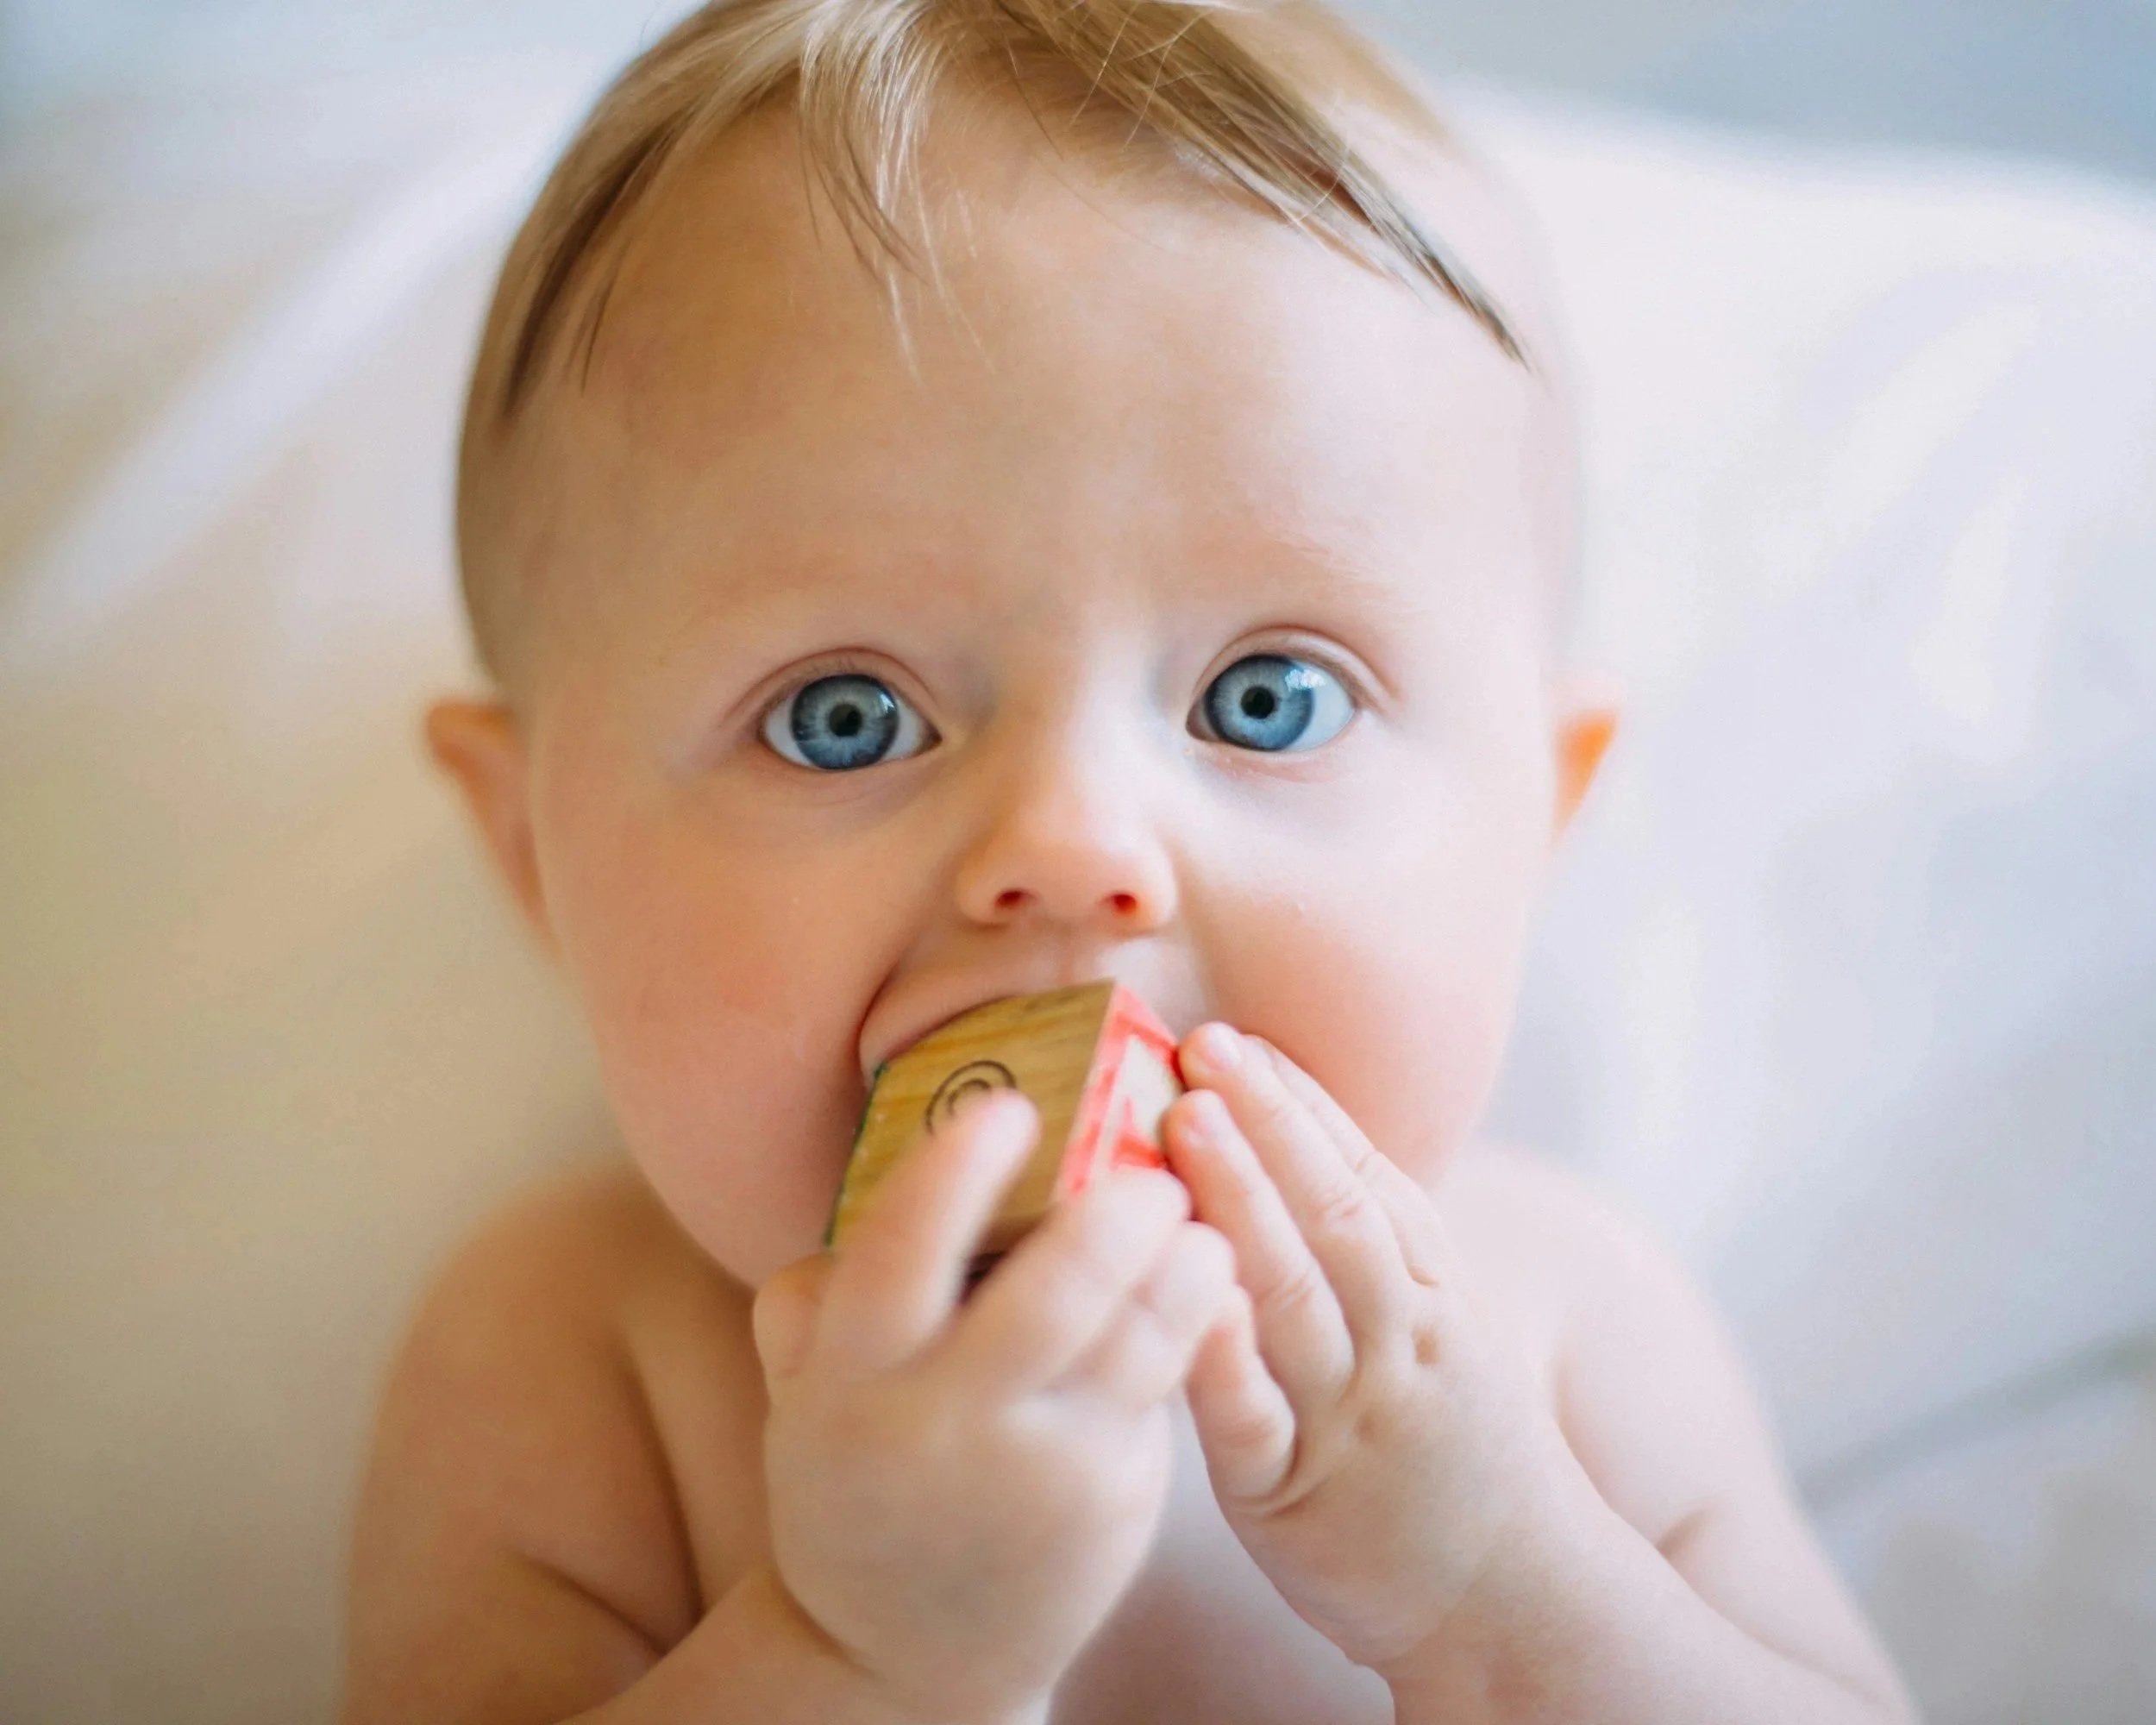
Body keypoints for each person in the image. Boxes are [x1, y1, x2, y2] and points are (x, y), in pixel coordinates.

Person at [341, 0, 1915, 1718]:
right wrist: (856, 1651)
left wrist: (1505, 1589)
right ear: (533, 853)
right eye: (843, 717)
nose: (1073, 849)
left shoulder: (1553, 1326)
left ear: (1535, 821)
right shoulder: (577, 1356)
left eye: (1268, 695)